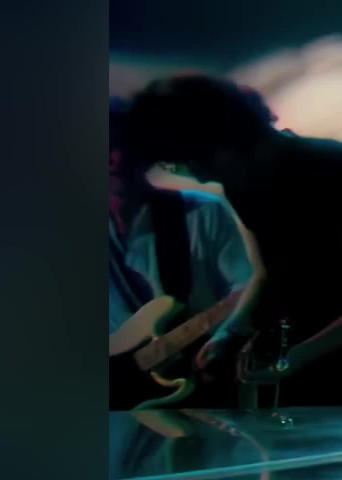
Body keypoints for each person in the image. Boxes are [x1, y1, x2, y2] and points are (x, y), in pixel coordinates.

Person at [124, 74, 342, 407]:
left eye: (198, 162)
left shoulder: (334, 167)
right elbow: (265, 275)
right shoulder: (241, 182)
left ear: (226, 134)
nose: (200, 177)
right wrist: (230, 332)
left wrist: (299, 356)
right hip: (290, 367)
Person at [108, 96, 254, 408]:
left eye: (123, 146)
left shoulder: (203, 212)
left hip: (195, 387)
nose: (115, 160)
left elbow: (248, 288)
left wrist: (224, 337)